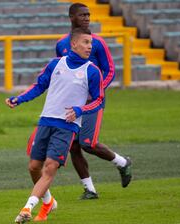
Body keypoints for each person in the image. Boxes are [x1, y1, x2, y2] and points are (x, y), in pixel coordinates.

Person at [6, 28, 104, 224]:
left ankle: (27, 208)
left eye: (91, 43)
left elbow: (99, 100)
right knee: (34, 167)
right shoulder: (55, 64)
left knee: (50, 168)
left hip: (67, 127)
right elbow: (39, 86)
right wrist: (20, 99)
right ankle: (48, 201)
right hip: (46, 121)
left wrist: (80, 110)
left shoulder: (92, 71)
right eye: (86, 42)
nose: (90, 46)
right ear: (73, 44)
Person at [55, 3, 132, 199]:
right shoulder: (61, 44)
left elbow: (110, 70)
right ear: (72, 17)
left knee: (88, 143)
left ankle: (122, 163)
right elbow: (62, 72)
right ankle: (90, 189)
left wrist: (96, 91)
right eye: (83, 15)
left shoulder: (97, 42)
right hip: (72, 104)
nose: (87, 18)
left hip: (92, 102)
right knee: (73, 145)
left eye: (89, 15)